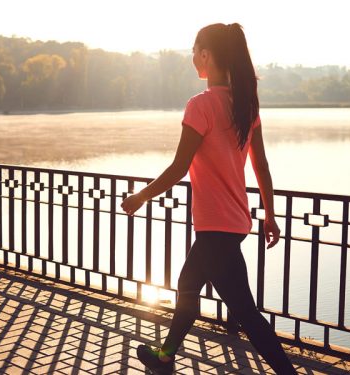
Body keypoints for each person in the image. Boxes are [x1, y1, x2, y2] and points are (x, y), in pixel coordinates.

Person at [120, 23, 297, 375]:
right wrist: (270, 214)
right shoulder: (245, 105)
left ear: (206, 55)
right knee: (188, 286)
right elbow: (261, 165)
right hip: (234, 222)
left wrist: (141, 195)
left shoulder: (201, 105)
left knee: (246, 314)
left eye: (194, 51)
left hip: (216, 226)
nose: (191, 58)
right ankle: (165, 356)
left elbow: (179, 167)